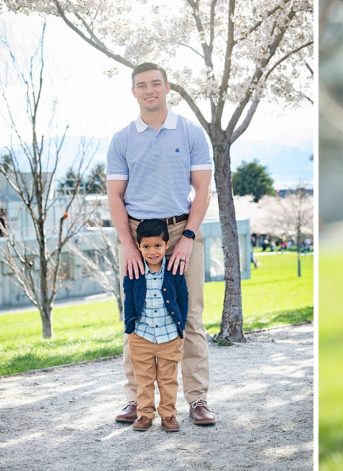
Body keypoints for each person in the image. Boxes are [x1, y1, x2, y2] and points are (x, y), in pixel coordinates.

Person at [107, 62, 217, 426]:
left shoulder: (190, 133)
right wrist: (127, 244)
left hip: (182, 229)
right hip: (138, 235)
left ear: (168, 87)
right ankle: (135, 400)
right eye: (142, 85)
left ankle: (198, 399)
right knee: (136, 316)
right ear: (133, 91)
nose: (149, 90)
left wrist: (187, 237)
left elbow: (203, 189)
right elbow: (115, 197)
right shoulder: (122, 139)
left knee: (191, 316)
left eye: (156, 83)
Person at [123, 219, 188, 432]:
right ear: (139, 247)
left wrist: (180, 328)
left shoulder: (174, 271)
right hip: (141, 336)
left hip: (169, 336)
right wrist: (131, 328)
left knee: (168, 380)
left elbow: (183, 299)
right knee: (143, 379)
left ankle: (168, 415)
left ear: (166, 245)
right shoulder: (133, 271)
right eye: (146, 246)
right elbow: (129, 301)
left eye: (158, 246)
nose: (152, 251)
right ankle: (144, 415)